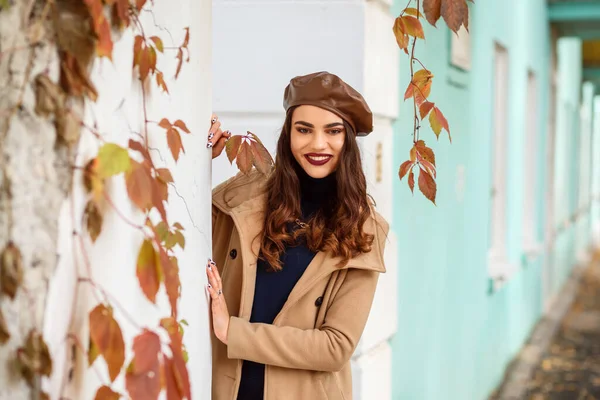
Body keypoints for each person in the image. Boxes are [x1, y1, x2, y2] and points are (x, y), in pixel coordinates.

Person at [206, 71, 389, 400]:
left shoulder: (363, 230)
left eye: (332, 131)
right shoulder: (245, 196)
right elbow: (185, 233)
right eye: (304, 129)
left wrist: (233, 332)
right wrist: (199, 159)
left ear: (347, 139)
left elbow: (335, 347)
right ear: (288, 134)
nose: (318, 144)